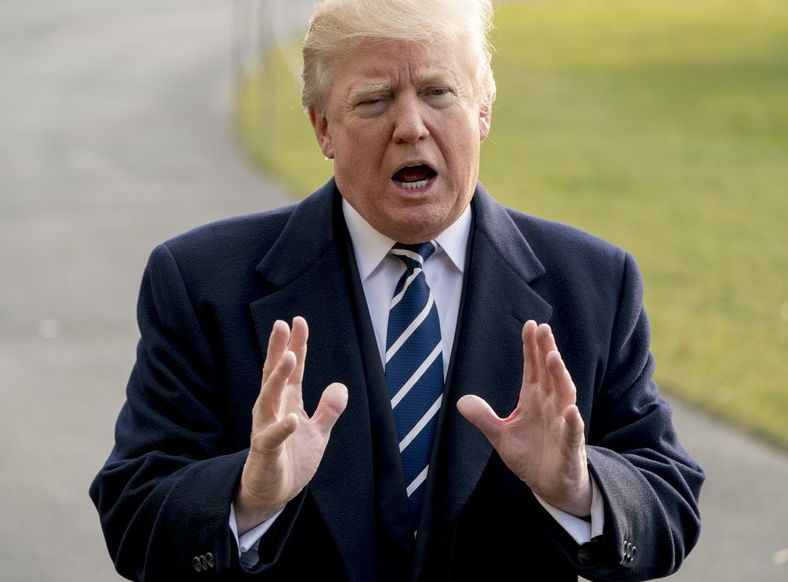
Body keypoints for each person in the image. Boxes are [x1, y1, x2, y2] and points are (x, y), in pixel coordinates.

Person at [89, 0, 704, 580]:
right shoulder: (200, 283)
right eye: (374, 100)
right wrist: (247, 495)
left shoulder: (595, 283)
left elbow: (668, 500)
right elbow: (135, 511)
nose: (410, 126)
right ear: (322, 127)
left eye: (438, 92)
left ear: (483, 108)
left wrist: (576, 487)